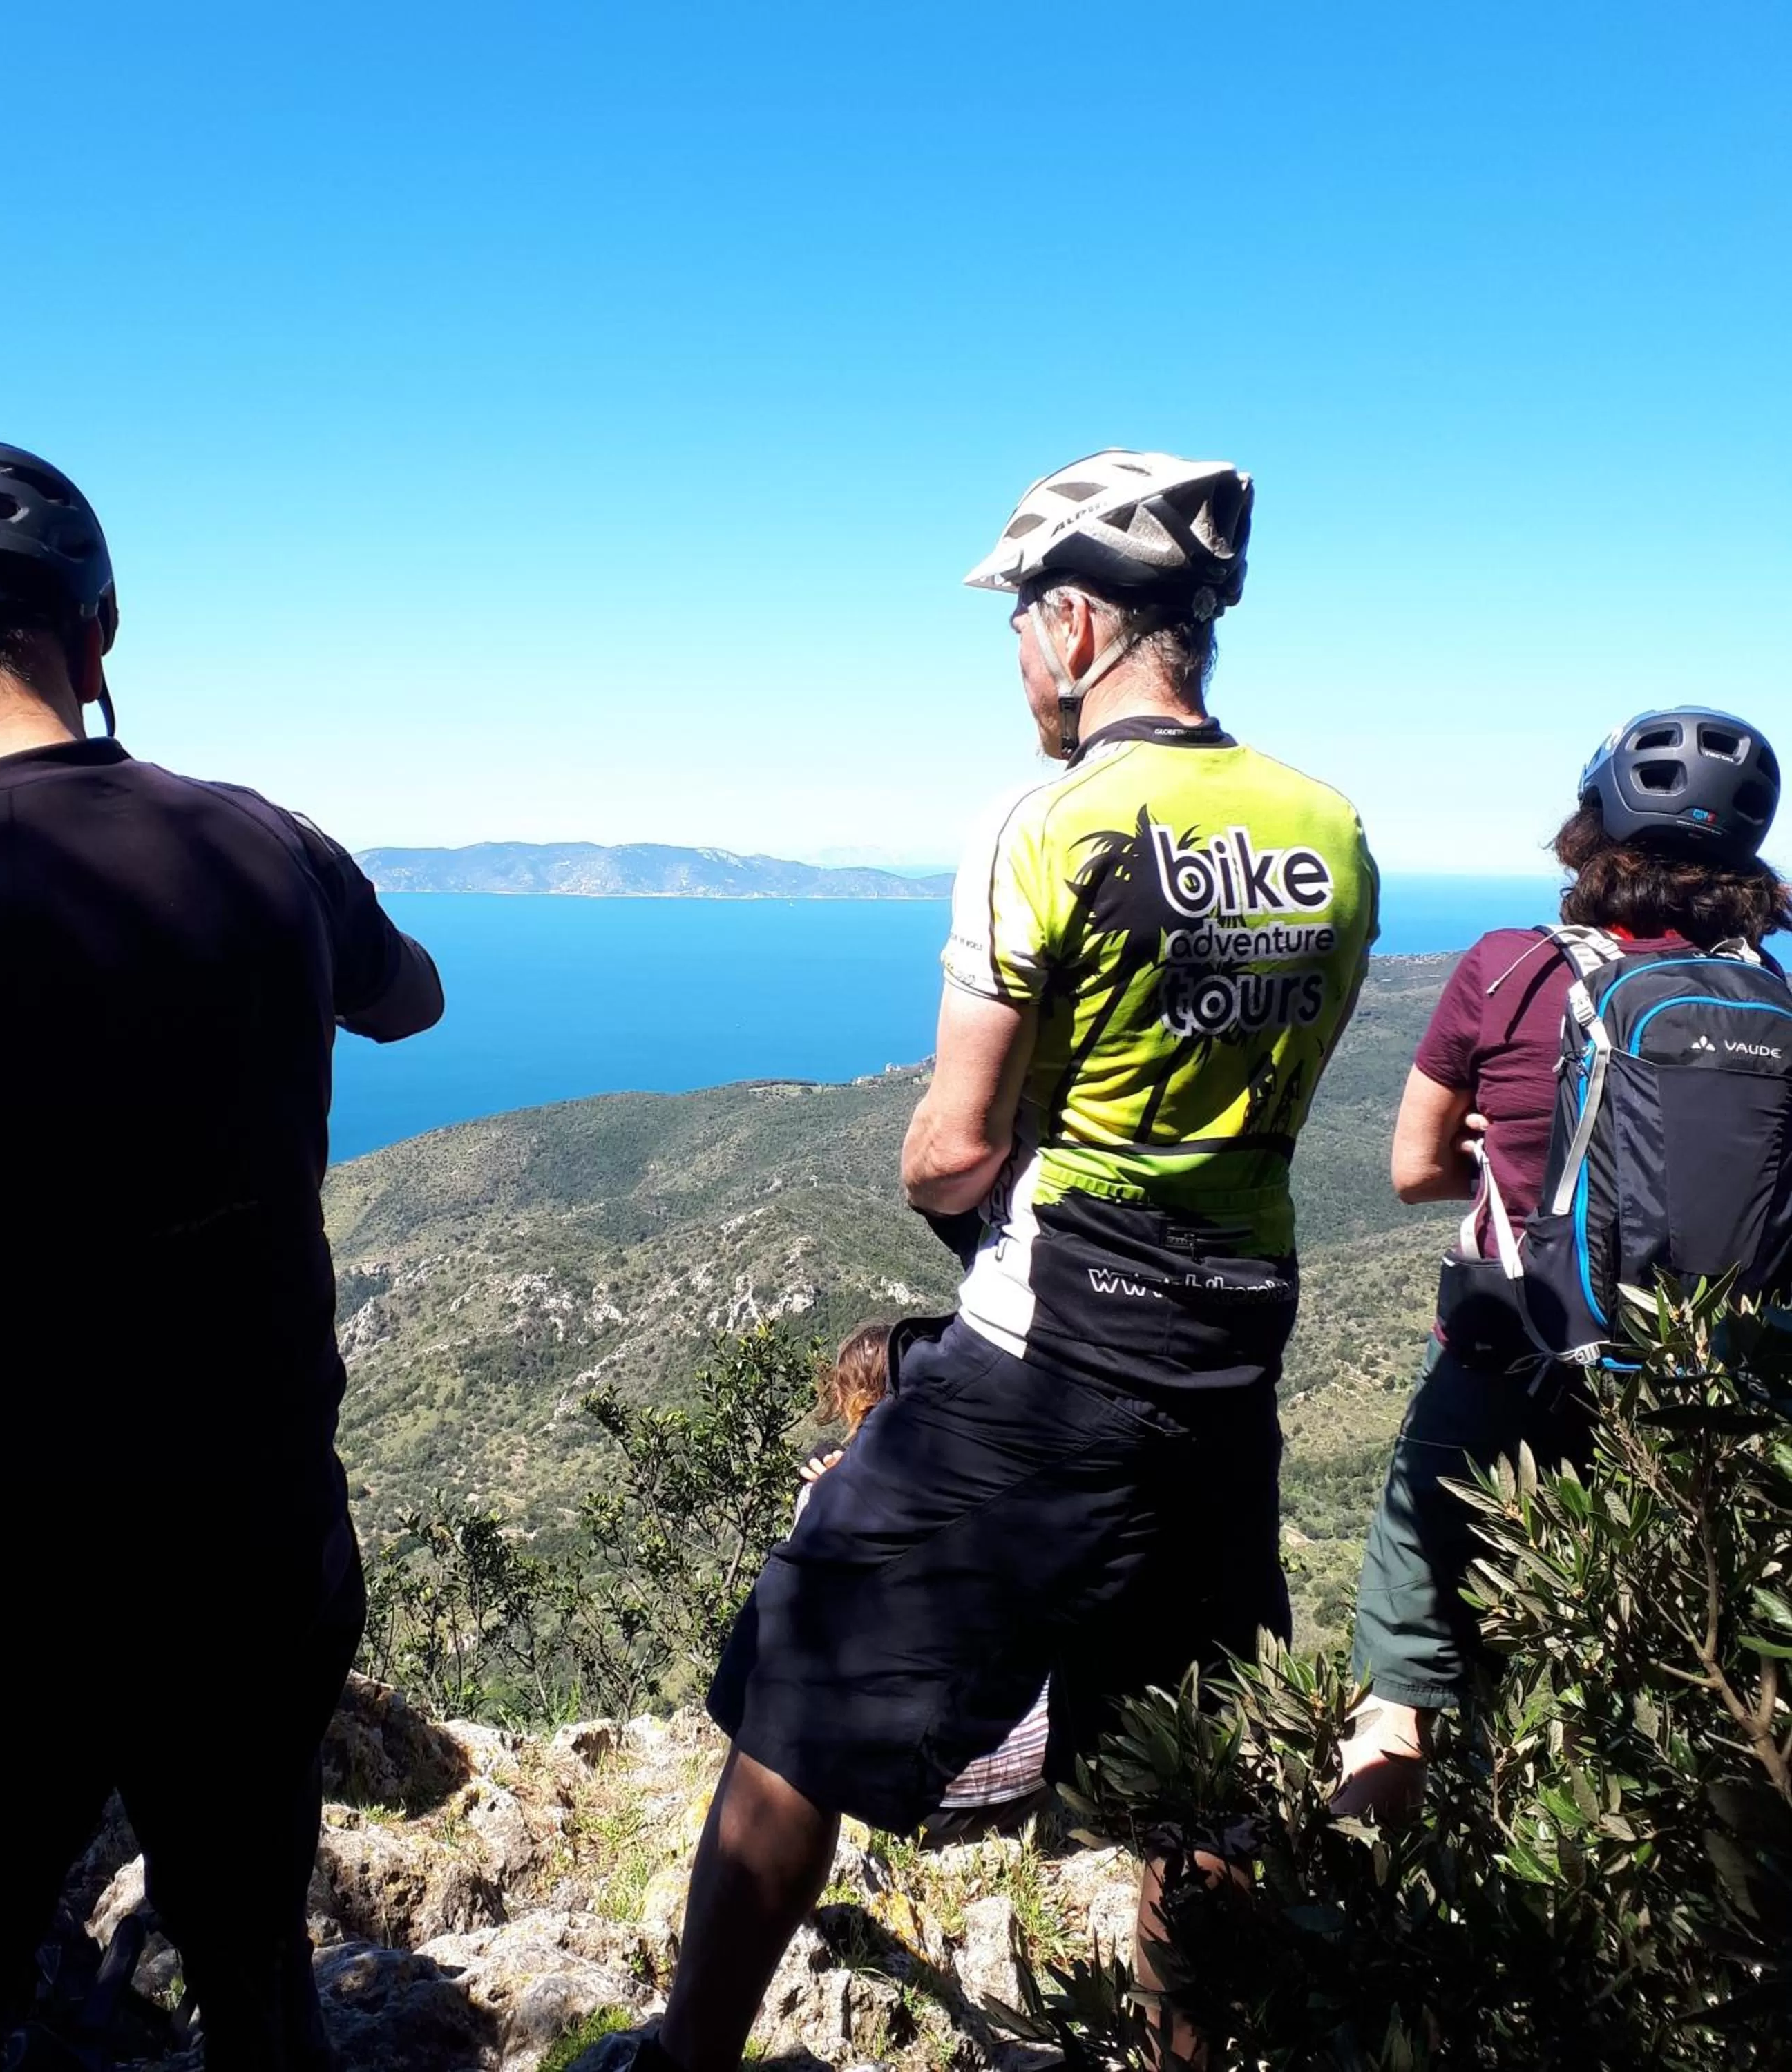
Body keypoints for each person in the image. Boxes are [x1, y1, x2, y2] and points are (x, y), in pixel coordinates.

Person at [649, 450, 1378, 2072]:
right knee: (1190, 1767)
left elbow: (955, 1144)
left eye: (1014, 629)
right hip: (1227, 1355)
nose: (1015, 667)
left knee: (792, 1690)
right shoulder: (1330, 831)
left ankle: (682, 2056)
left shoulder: (1047, 821)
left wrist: (940, 1175)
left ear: (1068, 625)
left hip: (1045, 1354)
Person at [0, 440, 444, 2071]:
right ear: (103, 628)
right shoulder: (262, 847)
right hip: (261, 1546)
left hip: (3, 1599)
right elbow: (406, 995)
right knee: (254, 1982)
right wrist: (289, 860)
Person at [1337, 707, 1787, 1816]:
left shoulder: (1508, 969)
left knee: (1400, 1699)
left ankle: (1359, 1935)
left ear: (1591, 835)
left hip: (1507, 1370)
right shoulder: (1776, 997)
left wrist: (1512, 1164)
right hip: (1715, 1403)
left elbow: (1411, 1170)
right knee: (1683, 1706)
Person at [799, 1322, 1051, 1842]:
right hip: (1035, 1769)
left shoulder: (827, 1499)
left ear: (850, 1404)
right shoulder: (991, 1468)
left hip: (914, 1801)